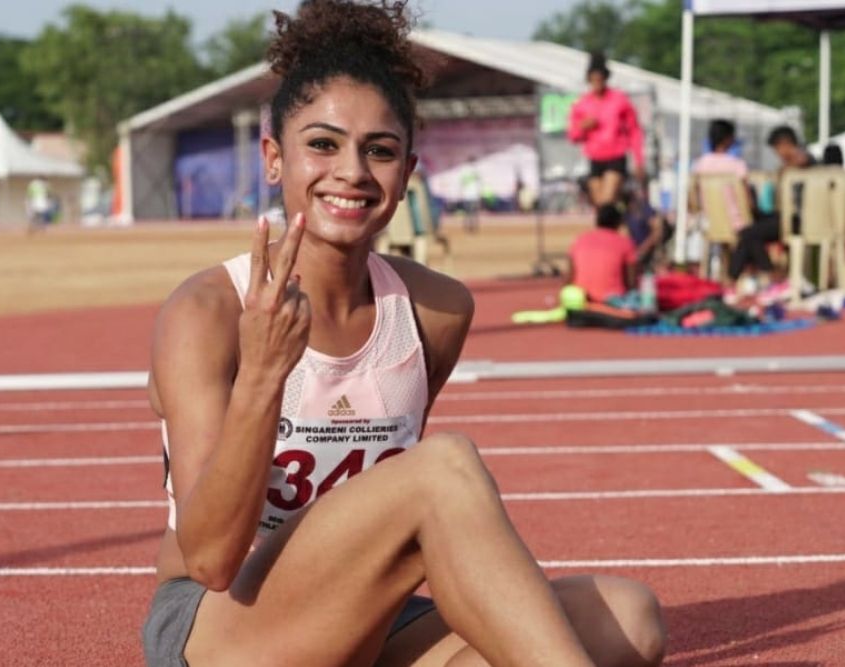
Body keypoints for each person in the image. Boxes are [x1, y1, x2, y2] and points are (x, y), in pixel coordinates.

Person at [141, 2, 667, 666]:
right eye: (323, 144)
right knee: (441, 470)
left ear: (407, 173)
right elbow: (211, 557)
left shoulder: (435, 310)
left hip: (359, 618)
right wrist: (266, 372)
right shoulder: (207, 312)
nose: (353, 171)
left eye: (380, 150)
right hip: (221, 627)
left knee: (629, 617)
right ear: (274, 158)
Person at [693, 119, 779, 291]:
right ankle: (764, 274)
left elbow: (694, 199)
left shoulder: (699, 165)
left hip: (711, 223)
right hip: (739, 222)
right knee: (753, 231)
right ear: (728, 139)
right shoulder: (737, 166)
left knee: (750, 233)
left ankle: (739, 277)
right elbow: (748, 202)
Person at [567, 53, 645, 208]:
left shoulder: (619, 100)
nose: (597, 83)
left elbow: (634, 131)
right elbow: (573, 136)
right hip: (595, 159)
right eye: (593, 79)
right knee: (599, 206)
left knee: (606, 202)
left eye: (600, 79)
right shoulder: (582, 104)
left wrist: (639, 160)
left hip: (615, 158)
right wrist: (583, 127)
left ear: (605, 78)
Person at [570, 203, 639, 303]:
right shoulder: (625, 243)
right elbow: (631, 282)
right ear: (618, 222)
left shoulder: (580, 240)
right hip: (613, 304)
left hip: (581, 303)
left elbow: (570, 278)